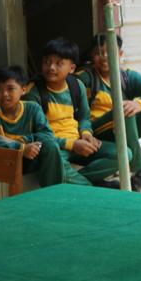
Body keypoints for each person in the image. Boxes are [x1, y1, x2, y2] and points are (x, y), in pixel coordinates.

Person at [0, 65, 87, 206]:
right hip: (6, 162)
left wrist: (22, 143)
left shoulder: (32, 108)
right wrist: (21, 148)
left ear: (23, 89)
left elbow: (47, 135)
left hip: (30, 159)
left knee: (50, 145)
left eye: (10, 88)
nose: (4, 94)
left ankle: (55, 195)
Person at [77, 34, 141, 189]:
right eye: (98, 53)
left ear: (120, 54)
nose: (104, 57)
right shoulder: (85, 78)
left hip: (122, 126)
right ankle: (138, 172)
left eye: (109, 51)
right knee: (124, 109)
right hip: (96, 133)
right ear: (92, 56)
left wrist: (139, 103)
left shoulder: (126, 76)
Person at [24, 37, 120, 188]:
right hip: (55, 148)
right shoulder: (34, 92)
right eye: (47, 62)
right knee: (53, 159)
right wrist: (72, 144)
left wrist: (87, 134)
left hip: (78, 142)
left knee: (122, 154)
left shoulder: (76, 85)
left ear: (72, 68)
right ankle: (87, 187)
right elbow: (37, 134)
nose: (51, 68)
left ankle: (76, 181)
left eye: (59, 63)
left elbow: (84, 117)